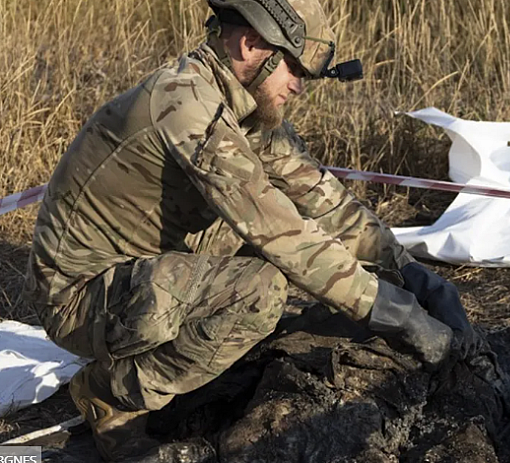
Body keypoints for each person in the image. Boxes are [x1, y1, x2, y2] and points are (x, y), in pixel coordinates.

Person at [22, 0, 480, 460]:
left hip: (137, 274)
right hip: (79, 297)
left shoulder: (240, 106)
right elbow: (281, 232)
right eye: (294, 70)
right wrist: (397, 314)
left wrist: (414, 274)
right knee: (261, 290)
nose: (299, 87)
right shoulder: (187, 107)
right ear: (251, 44)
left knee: (288, 266)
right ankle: (112, 394)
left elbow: (324, 201)